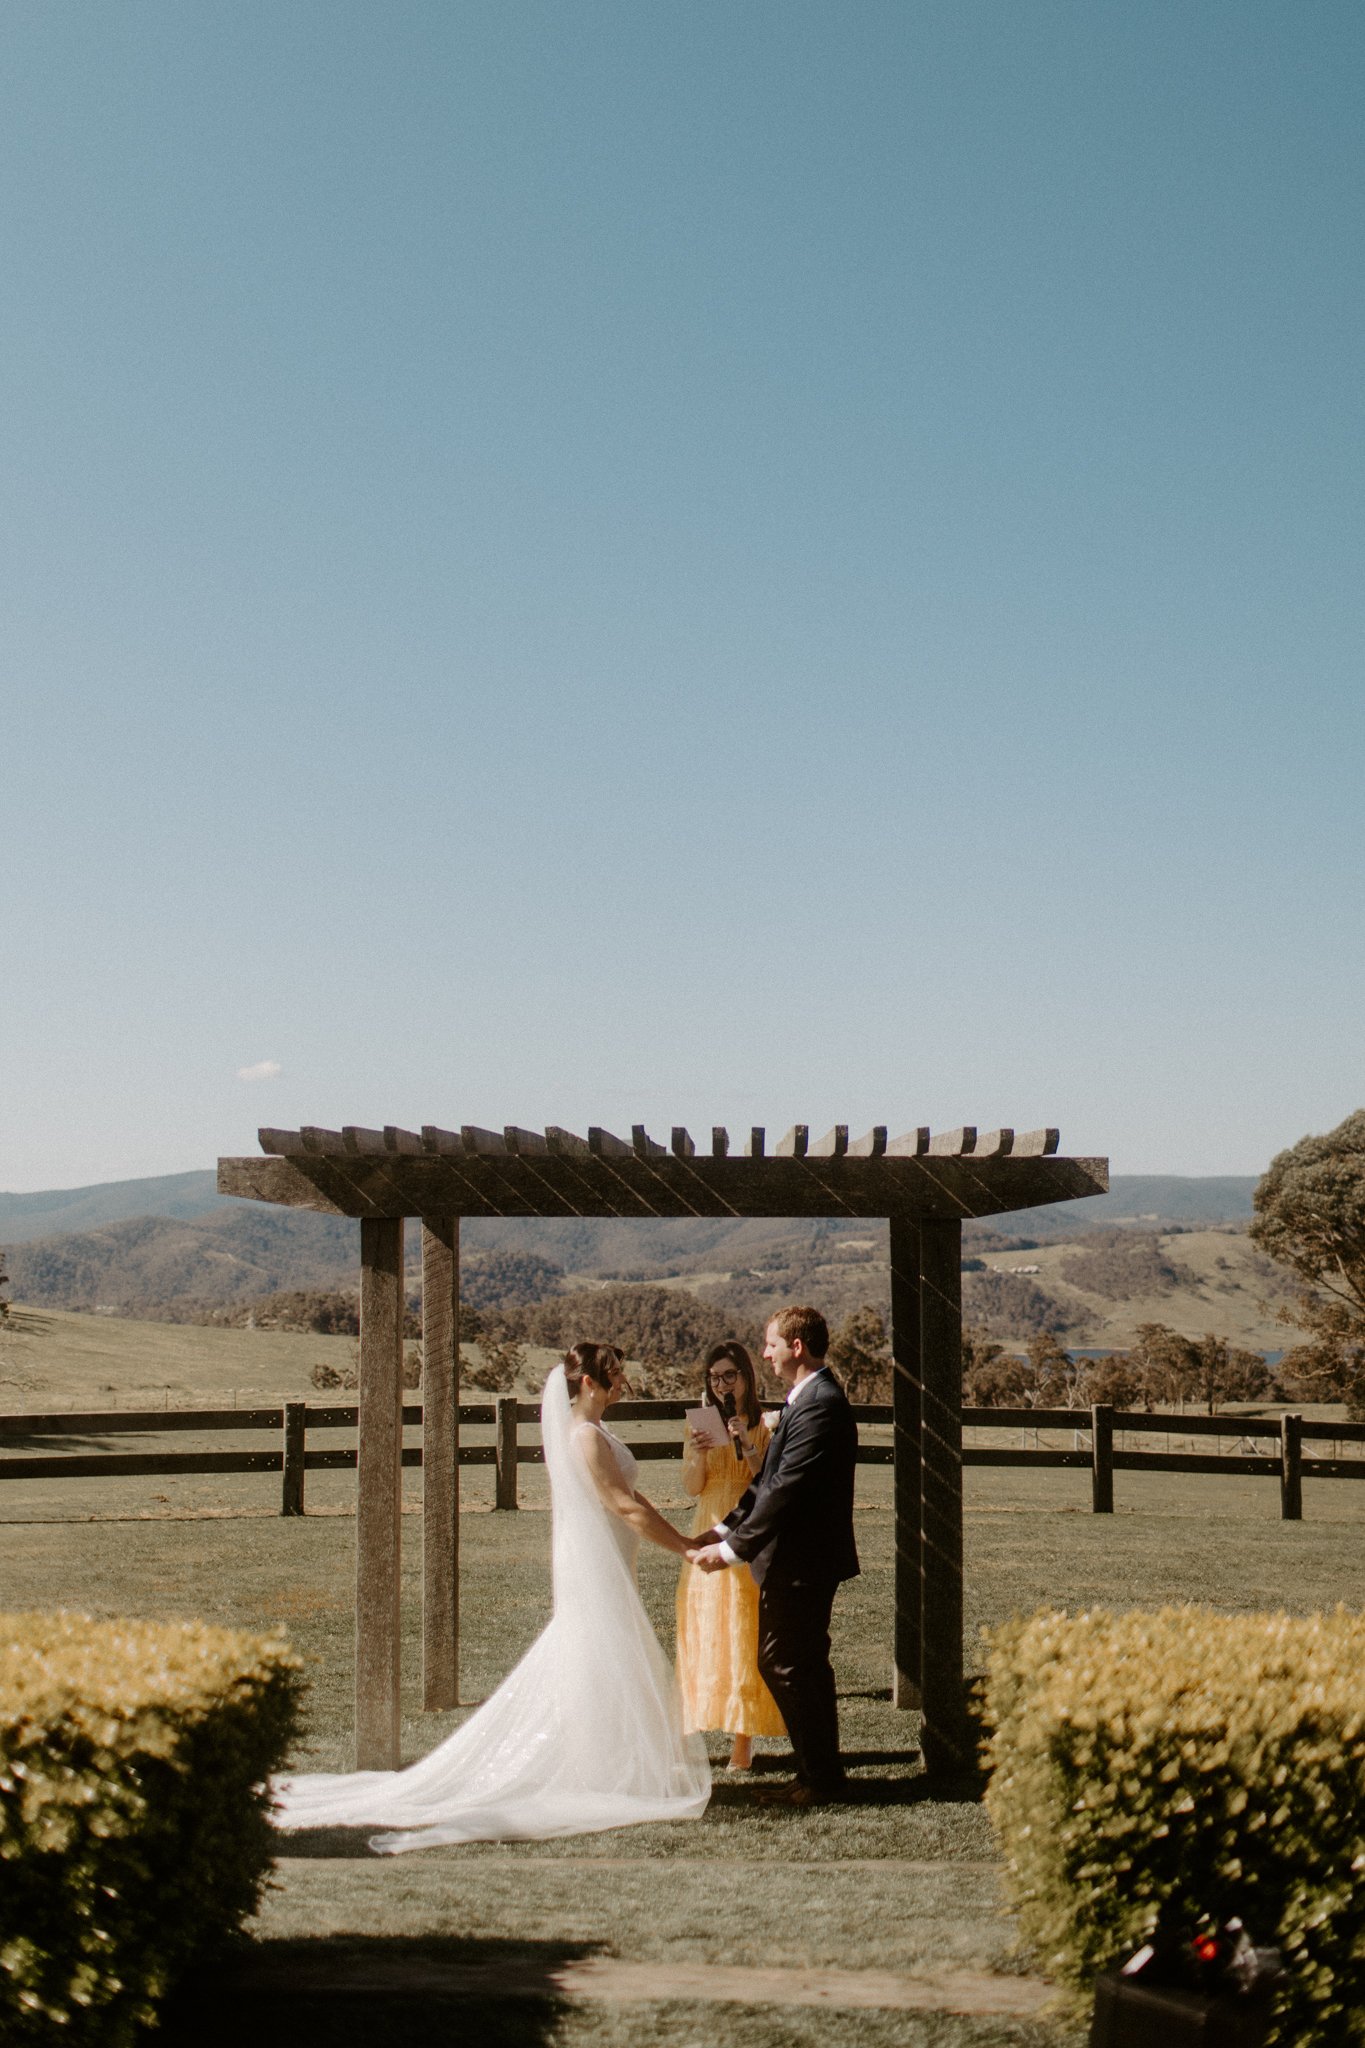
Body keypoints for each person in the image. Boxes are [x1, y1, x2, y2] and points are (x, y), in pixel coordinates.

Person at [271, 1341, 710, 1849]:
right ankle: (603, 1768)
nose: (622, 1383)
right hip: (598, 1564)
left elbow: (632, 1497)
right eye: (614, 1374)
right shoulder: (585, 1438)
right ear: (587, 1381)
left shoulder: (598, 1431)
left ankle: (613, 1761)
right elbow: (621, 1506)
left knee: (605, 1653)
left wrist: (681, 1536)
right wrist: (682, 1548)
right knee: (599, 1651)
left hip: (612, 1560)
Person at [689, 1305, 858, 1807]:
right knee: (791, 1663)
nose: (765, 1353)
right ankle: (815, 1775)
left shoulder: (821, 1403)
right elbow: (763, 1482)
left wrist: (731, 1551)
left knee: (788, 1663)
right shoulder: (805, 1400)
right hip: (792, 1560)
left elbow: (786, 1490)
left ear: (796, 1347)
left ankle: (821, 1779)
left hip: (803, 1561)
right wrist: (719, 1529)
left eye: (771, 1344)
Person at [675, 1342, 785, 1770]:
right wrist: (698, 1453)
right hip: (708, 1522)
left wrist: (747, 1442)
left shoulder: (767, 1424)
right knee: (703, 1630)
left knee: (742, 1633)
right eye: (714, 1378)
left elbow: (769, 1481)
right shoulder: (700, 1425)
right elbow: (691, 1487)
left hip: (746, 1527)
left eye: (728, 1376)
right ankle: (696, 1733)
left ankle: (743, 1743)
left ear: (745, 1377)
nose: (721, 1385)